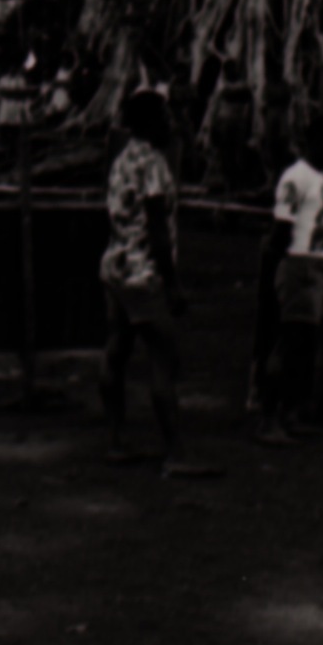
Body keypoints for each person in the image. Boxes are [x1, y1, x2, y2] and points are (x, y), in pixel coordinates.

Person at [98, 90, 211, 477]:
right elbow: (158, 231)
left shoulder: (122, 159)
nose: (171, 124)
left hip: (116, 266)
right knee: (164, 359)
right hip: (144, 272)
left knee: (116, 351)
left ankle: (116, 441)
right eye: (164, 117)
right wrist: (173, 284)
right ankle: (176, 454)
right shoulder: (154, 165)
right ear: (148, 123)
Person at [257, 109, 323, 446]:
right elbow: (282, 227)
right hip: (299, 266)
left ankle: (291, 412)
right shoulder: (296, 177)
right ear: (316, 141)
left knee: (304, 346)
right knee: (288, 343)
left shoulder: (318, 177)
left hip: (315, 267)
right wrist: (281, 267)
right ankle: (269, 418)